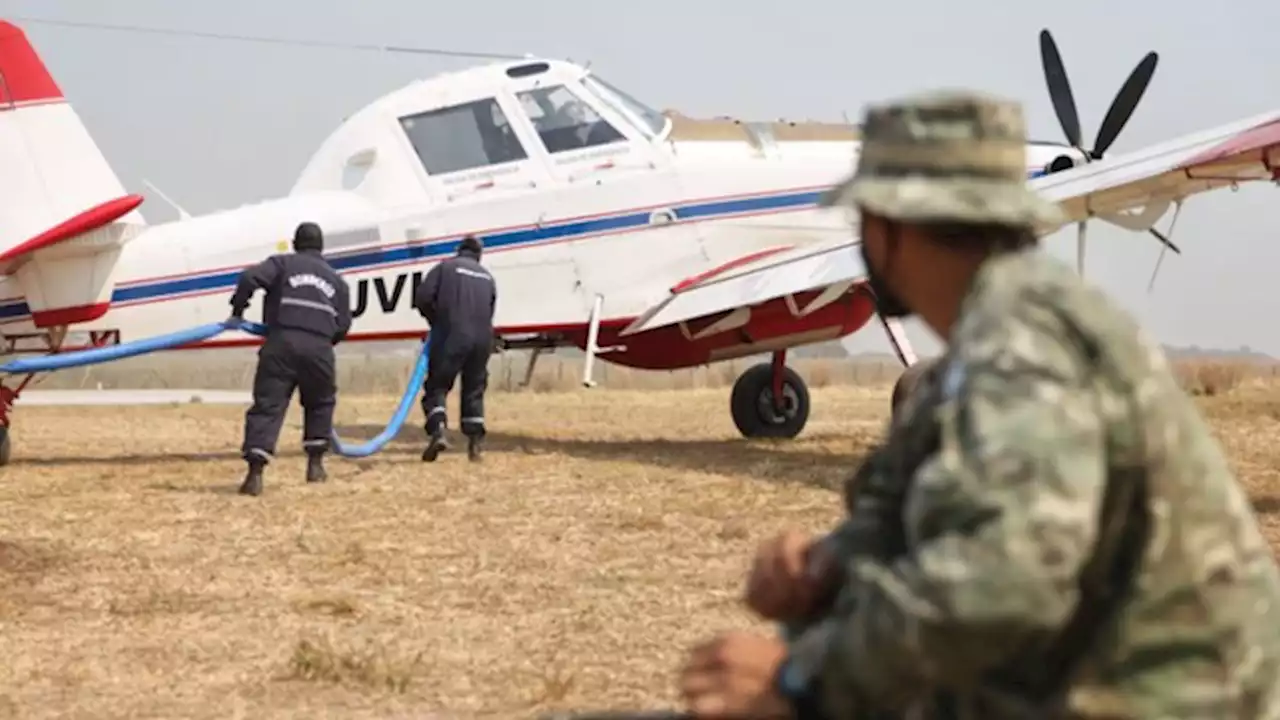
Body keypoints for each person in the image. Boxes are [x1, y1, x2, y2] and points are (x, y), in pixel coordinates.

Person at [678, 90, 1280, 718]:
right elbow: (902, 508)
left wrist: (801, 683)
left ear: (888, 228)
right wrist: (823, 567)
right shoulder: (990, 339)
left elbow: (1002, 582)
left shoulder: (1026, 348)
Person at [229, 221, 352, 497]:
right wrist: (322, 341)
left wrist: (238, 309)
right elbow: (343, 324)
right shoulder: (337, 281)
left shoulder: (282, 264)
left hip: (281, 342)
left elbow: (249, 278)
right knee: (320, 403)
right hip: (319, 349)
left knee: (268, 405)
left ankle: (255, 474)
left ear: (295, 244)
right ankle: (315, 465)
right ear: (321, 248)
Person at [413, 234, 497, 463]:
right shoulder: (487, 277)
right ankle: (475, 445)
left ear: (459, 250)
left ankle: (438, 431)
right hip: (482, 339)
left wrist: (436, 320)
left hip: (452, 335)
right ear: (479, 255)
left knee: (437, 386)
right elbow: (490, 310)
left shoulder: (445, 268)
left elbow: (422, 297)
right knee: (474, 389)